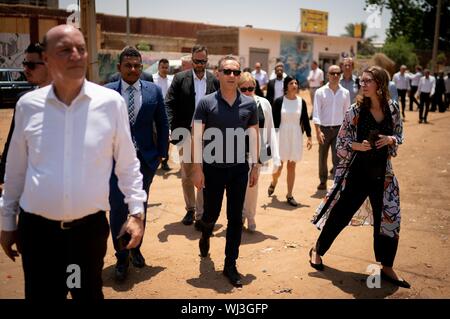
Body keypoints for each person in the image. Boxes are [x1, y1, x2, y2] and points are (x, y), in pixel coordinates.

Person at [0, 25, 147, 300]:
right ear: (46, 58)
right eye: (65, 50)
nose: (76, 55)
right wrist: (7, 222)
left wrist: (136, 213)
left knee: (82, 291)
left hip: (84, 238)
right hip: (38, 236)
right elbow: (16, 170)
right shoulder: (28, 106)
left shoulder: (109, 104)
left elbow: (128, 165)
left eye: (81, 49)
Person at [309, 65, 410, 289]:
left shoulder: (392, 108)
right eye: (361, 81)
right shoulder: (355, 110)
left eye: (367, 81)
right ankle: (317, 250)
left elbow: (400, 134)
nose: (362, 84)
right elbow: (342, 143)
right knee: (340, 215)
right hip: (357, 174)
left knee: (389, 220)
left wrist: (391, 139)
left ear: (380, 84)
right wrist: (358, 146)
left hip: (383, 176)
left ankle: (386, 266)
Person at [192, 55, 259, 287]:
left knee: (235, 218)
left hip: (239, 169)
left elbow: (254, 135)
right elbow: (196, 137)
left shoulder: (250, 104)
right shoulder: (206, 103)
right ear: (218, 73)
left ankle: (230, 264)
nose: (232, 76)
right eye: (227, 71)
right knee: (211, 214)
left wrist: (256, 165)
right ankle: (205, 233)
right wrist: (197, 169)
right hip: (212, 169)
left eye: (236, 72)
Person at [105, 47, 169, 282]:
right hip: (113, 162)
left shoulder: (153, 91)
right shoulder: (108, 92)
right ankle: (121, 258)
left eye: (137, 66)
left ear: (141, 68)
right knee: (117, 209)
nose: (133, 69)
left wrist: (161, 154)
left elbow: (162, 123)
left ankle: (136, 247)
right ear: (119, 67)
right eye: (128, 65)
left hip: (144, 161)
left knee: (140, 207)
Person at [165, 45, 219, 228]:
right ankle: (190, 209)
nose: (199, 64)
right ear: (191, 60)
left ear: (207, 61)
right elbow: (169, 103)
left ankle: (201, 214)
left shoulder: (214, 80)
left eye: (203, 61)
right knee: (187, 173)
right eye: (196, 61)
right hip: (185, 133)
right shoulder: (180, 79)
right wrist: (169, 126)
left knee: (204, 173)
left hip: (208, 134)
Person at [0, 42, 52, 187]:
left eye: (31, 65)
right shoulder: (24, 101)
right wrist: (3, 171)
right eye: (24, 64)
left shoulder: (68, 100)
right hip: (30, 183)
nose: (25, 69)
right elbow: (13, 141)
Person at [239, 72, 280, 231]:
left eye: (251, 88)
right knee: (238, 187)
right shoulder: (234, 104)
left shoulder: (264, 104)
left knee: (253, 186)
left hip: (258, 152)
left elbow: (270, 130)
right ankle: (240, 215)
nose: (248, 92)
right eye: (244, 89)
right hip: (237, 151)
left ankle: (250, 216)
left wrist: (275, 155)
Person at [268, 76, 312, 206]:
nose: (294, 85)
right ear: (286, 86)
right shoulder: (279, 101)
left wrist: (309, 136)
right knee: (279, 167)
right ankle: (274, 182)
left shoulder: (301, 102)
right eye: (292, 83)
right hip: (281, 135)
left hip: (295, 136)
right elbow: (273, 121)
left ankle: (289, 195)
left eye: (296, 83)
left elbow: (305, 119)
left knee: (292, 166)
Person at [313, 65, 351, 191]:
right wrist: (318, 131)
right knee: (322, 156)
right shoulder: (320, 92)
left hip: (339, 130)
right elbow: (316, 113)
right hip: (323, 129)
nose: (335, 76)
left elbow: (347, 114)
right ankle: (322, 181)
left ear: (340, 75)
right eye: (332, 73)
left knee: (337, 157)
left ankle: (336, 183)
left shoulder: (345, 93)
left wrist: (346, 133)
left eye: (338, 73)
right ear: (327, 75)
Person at [153, 58, 173, 171]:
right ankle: (156, 158)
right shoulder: (152, 78)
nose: (164, 70)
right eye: (162, 67)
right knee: (154, 135)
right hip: (154, 110)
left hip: (167, 112)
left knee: (166, 136)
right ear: (158, 67)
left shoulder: (171, 80)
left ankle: (165, 161)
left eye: (166, 67)